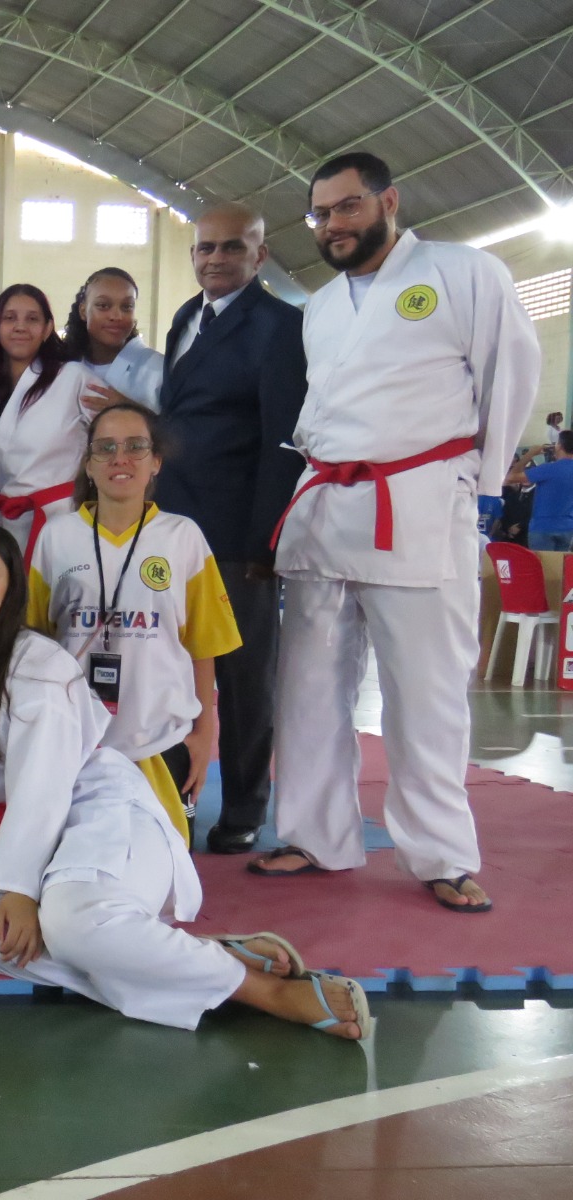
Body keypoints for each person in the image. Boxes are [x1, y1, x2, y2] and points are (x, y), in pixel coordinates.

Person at [0, 523, 369, 1039]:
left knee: (70, 925)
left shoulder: (39, 665)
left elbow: (41, 786)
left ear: (11, 588)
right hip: (31, 836)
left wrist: (17, 887)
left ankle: (262, 991)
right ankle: (194, 957)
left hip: (101, 812)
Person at [253, 151, 539, 913]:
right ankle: (314, 834)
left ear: (389, 201)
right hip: (327, 504)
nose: (333, 225)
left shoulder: (461, 272)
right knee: (309, 685)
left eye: (347, 207)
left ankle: (441, 853)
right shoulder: (321, 306)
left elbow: (511, 371)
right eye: (320, 214)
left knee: (427, 689)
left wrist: (481, 486)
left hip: (417, 503)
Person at [154, 202, 309, 854]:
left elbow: (283, 440)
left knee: (243, 676)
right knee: (164, 668)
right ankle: (170, 794)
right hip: (173, 524)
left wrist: (264, 543)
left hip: (238, 535)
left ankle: (244, 805)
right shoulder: (187, 319)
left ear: (260, 254)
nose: (214, 259)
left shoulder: (280, 326)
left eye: (230, 248)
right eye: (204, 248)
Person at [27, 402, 240, 844]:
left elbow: (204, 644)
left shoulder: (183, 537)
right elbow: (35, 641)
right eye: (105, 448)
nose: (119, 458)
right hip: (78, 743)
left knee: (163, 876)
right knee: (81, 867)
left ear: (156, 461)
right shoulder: (57, 537)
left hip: (164, 743)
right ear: (88, 462)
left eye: (135, 446)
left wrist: (204, 735)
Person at [0, 284, 94, 571]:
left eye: (32, 319)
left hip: (57, 520)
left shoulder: (73, 376)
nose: (20, 327)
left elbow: (119, 423)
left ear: (47, 328)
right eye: (10, 318)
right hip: (5, 520)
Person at [64, 267, 164, 410]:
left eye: (127, 306)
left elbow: (179, 428)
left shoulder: (158, 368)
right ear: (83, 311)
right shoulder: (65, 366)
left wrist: (129, 408)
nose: (116, 316)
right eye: (103, 306)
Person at [506, 432, 573, 551]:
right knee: (560, 568)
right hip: (567, 527)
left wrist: (530, 453)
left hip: (542, 527)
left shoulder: (548, 469)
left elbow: (511, 477)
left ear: (559, 446)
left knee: (542, 567)